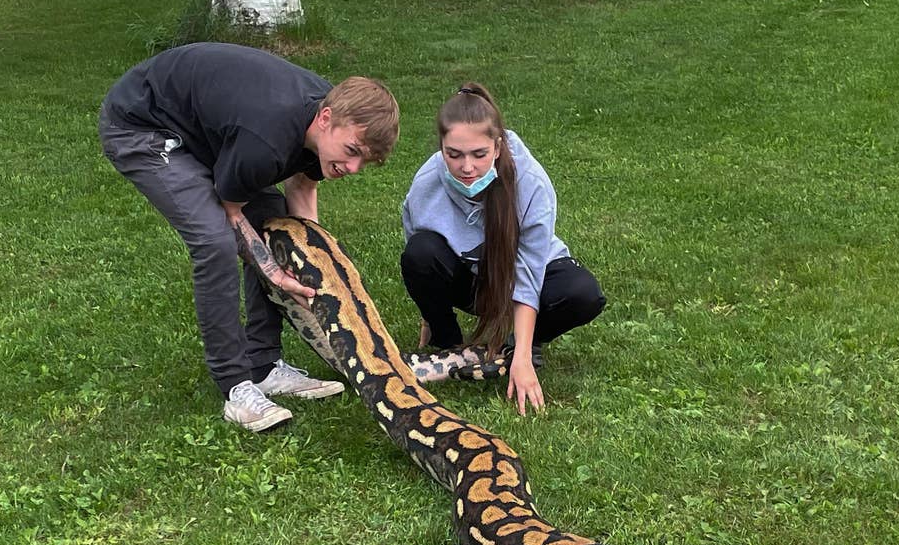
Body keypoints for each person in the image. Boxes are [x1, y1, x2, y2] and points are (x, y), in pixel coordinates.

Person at [98, 43, 399, 431]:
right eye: (352, 151)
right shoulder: (268, 139)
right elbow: (233, 211)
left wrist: (313, 266)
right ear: (325, 119)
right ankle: (236, 386)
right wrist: (276, 275)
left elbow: (302, 187)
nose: (354, 167)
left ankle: (264, 364)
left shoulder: (329, 123)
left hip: (212, 130)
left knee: (277, 226)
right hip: (144, 126)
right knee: (214, 242)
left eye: (365, 161)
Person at [400, 83, 605, 415]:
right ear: (441, 147)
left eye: (479, 154)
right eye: (454, 154)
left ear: (497, 147)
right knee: (420, 251)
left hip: (523, 279)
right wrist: (429, 313)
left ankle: (518, 345)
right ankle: (449, 344)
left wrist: (522, 357)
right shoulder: (426, 184)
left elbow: (528, 274)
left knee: (583, 293)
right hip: (473, 282)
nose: (467, 167)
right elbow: (418, 255)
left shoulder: (531, 183)